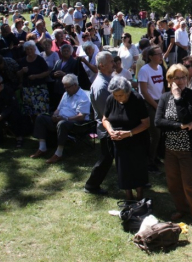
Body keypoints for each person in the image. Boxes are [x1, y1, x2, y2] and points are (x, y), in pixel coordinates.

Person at [154, 64, 192, 228]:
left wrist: (178, 98)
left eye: (183, 76)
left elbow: (189, 118)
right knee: (173, 183)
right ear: (170, 79)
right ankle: (182, 209)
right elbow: (158, 121)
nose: (181, 80)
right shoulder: (164, 97)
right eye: (177, 77)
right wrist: (178, 126)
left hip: (189, 149)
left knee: (190, 184)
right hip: (170, 149)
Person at [102, 76, 150, 201]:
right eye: (115, 95)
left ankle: (140, 195)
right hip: (118, 141)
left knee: (137, 168)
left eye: (121, 95)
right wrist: (110, 130)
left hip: (136, 139)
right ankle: (128, 195)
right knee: (123, 169)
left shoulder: (137, 99)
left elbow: (146, 123)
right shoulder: (110, 99)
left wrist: (129, 133)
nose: (118, 98)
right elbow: (105, 119)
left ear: (128, 92)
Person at [30, 74, 90, 163]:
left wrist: (65, 118)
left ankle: (58, 153)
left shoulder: (83, 97)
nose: (65, 89)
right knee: (40, 117)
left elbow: (81, 116)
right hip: (61, 119)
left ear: (75, 85)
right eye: (64, 87)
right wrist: (54, 116)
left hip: (75, 122)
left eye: (67, 87)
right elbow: (58, 109)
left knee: (62, 123)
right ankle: (42, 147)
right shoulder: (66, 94)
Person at [84, 52, 115, 195]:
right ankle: (91, 185)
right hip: (107, 130)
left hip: (111, 128)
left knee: (110, 157)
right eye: (110, 61)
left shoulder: (108, 79)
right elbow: (106, 114)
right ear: (101, 65)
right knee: (106, 159)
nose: (113, 63)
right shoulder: (101, 87)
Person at [138, 46, 166, 173]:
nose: (161, 56)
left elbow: (162, 86)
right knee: (154, 134)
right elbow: (144, 92)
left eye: (161, 54)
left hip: (160, 102)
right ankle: (149, 162)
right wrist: (157, 106)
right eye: (158, 54)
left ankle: (155, 157)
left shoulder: (160, 68)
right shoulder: (144, 70)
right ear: (150, 56)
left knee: (160, 133)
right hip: (149, 104)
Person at [17, 41, 50, 118]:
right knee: (29, 110)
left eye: (31, 49)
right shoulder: (23, 60)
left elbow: (47, 72)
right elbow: (17, 74)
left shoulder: (39, 59)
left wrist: (36, 76)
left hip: (39, 88)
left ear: (34, 49)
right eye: (27, 49)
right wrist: (22, 71)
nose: (29, 51)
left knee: (41, 110)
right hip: (27, 89)